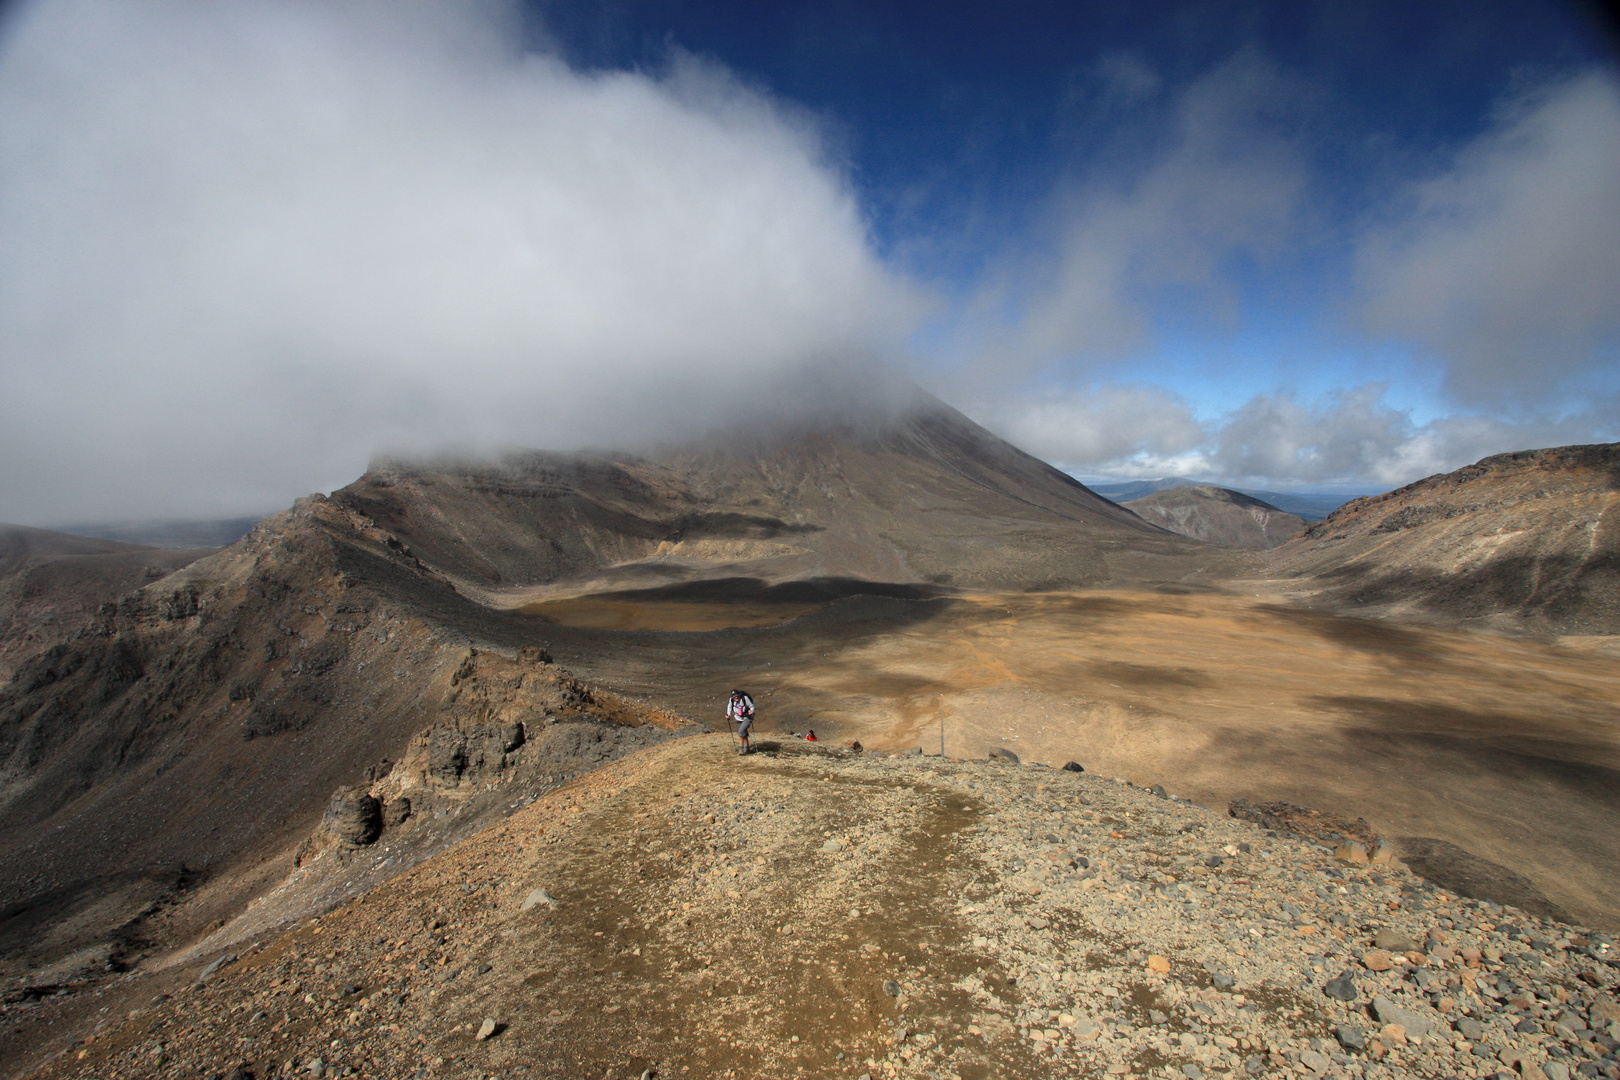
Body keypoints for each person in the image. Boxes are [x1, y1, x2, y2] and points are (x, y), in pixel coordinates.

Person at [726, 689, 756, 755]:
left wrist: (752, 711)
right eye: (734, 696)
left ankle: (741, 749)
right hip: (738, 718)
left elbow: (751, 705)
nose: (736, 697)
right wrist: (728, 714)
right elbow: (729, 707)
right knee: (743, 733)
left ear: (739, 695)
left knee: (741, 732)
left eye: (737, 696)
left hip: (747, 717)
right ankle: (747, 748)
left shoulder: (745, 698)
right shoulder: (731, 700)